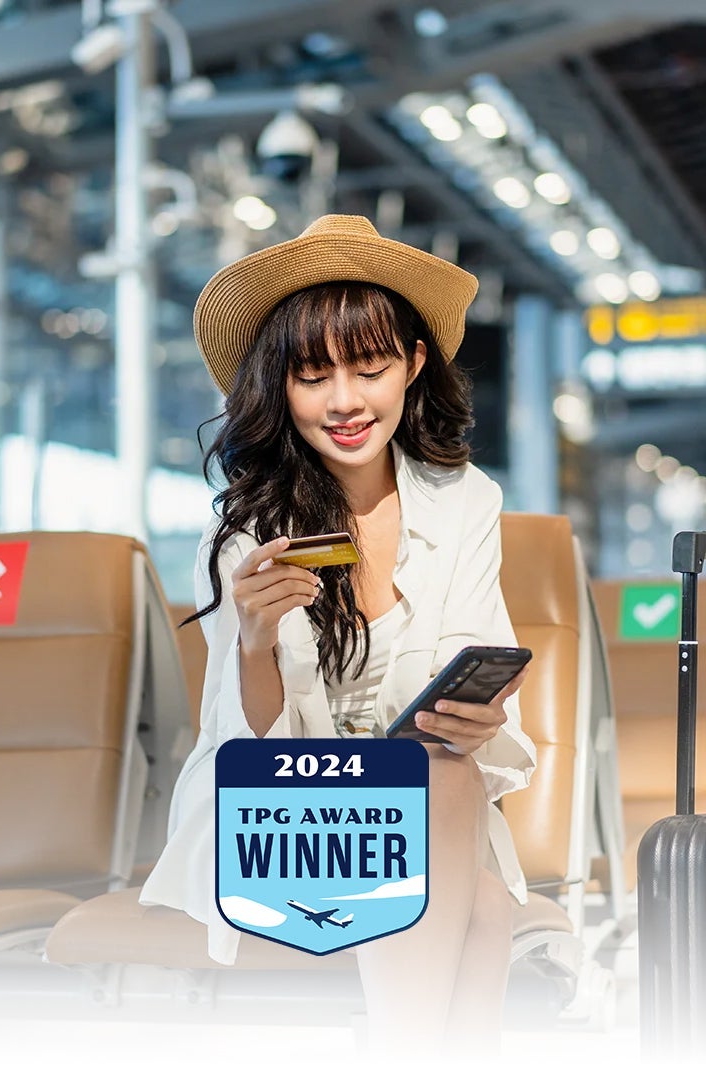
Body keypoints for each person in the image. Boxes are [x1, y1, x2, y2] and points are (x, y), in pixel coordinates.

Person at [138, 215, 537, 1057]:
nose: (346, 401)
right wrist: (253, 640)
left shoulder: (466, 502)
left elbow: (475, 670)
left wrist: (480, 717)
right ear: (280, 387)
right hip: (284, 816)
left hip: (428, 805)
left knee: (444, 777)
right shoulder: (253, 529)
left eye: (370, 367)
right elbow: (245, 747)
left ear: (414, 364)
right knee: (481, 892)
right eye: (314, 376)